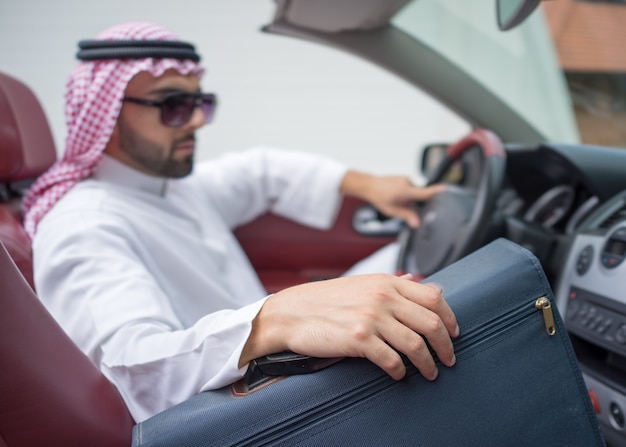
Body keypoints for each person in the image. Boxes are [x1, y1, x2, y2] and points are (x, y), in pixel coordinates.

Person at [24, 21, 459, 422]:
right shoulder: (83, 225)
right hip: (241, 418)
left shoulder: (171, 188)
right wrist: (275, 319)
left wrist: (366, 183)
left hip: (273, 383)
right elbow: (131, 370)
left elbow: (261, 172)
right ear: (105, 112)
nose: (196, 120)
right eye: (174, 104)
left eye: (200, 102)